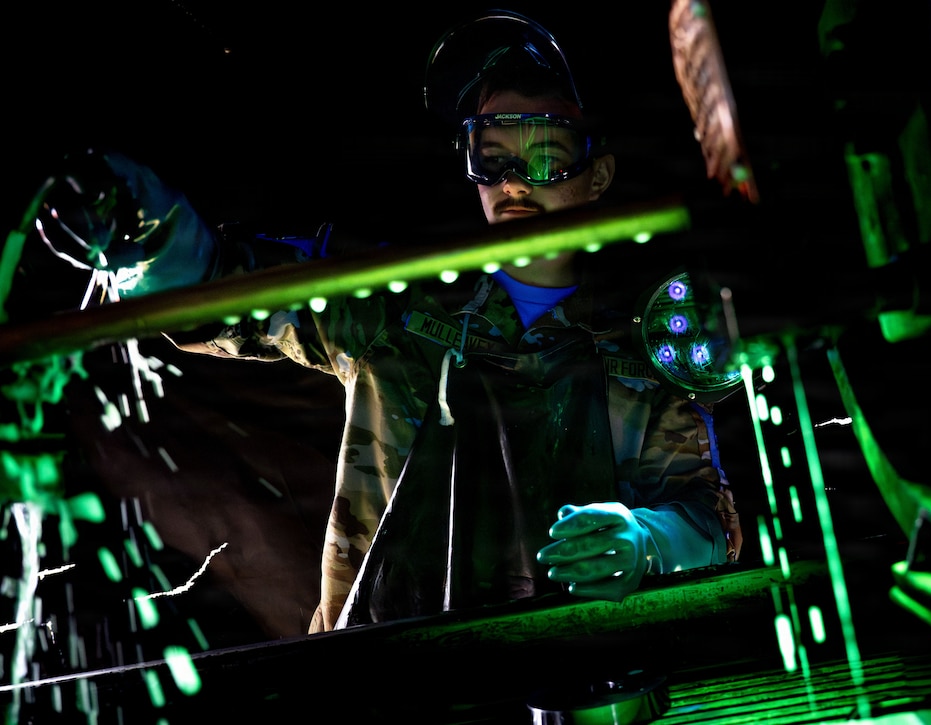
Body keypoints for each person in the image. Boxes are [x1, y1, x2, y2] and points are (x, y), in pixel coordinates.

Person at [27, 10, 742, 633]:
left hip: (585, 683)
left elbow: (709, 521)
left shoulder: (645, 350)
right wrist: (150, 232)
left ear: (599, 173)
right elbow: (234, 288)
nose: (514, 181)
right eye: (491, 156)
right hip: (389, 679)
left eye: (545, 154)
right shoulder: (401, 305)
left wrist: (646, 538)